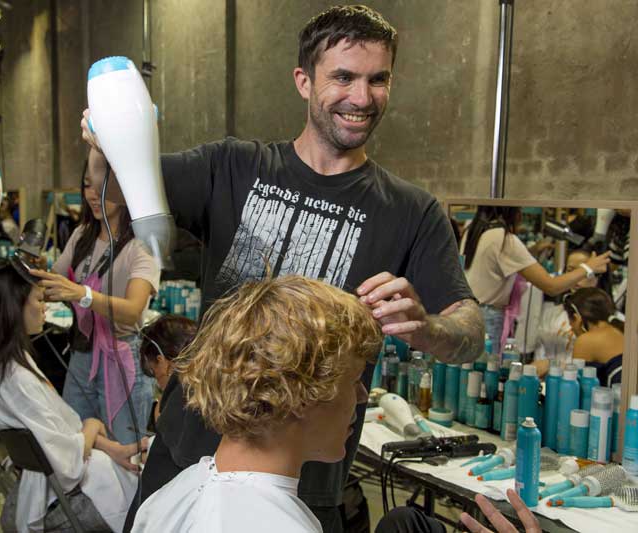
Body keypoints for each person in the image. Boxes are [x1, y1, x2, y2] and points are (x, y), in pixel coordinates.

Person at [91, 6, 486, 532]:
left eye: (378, 79)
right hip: (192, 447)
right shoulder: (233, 167)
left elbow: (470, 332)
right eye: (343, 77)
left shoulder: (411, 212)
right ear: (303, 81)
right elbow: (118, 188)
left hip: (306, 475)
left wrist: (428, 327)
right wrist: (107, 143)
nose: (362, 97)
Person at [133, 275, 383, 532]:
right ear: (301, 395)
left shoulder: (166, 500)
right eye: (354, 381)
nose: (363, 395)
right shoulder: (280, 526)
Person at [0, 258, 145, 533]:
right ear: (14, 307)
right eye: (39, 300)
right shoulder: (15, 379)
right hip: (68, 498)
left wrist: (111, 447)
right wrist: (92, 425)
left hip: (65, 479)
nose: (44, 307)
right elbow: (66, 462)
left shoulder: (3, 365)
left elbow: (58, 434)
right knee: (154, 501)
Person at [30, 152, 160, 446]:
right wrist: (34, 274)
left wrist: (83, 294)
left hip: (123, 360)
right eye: (88, 185)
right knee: (76, 442)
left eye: (103, 187)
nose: (93, 195)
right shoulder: (82, 236)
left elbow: (132, 311)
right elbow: (52, 284)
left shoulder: (142, 245)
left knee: (125, 450)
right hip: (82, 354)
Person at [461, 206, 610, 354]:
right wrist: (588, 268)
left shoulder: (474, 232)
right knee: (485, 366)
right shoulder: (502, 239)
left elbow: (498, 260)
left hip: (468, 312)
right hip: (487, 318)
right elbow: (551, 286)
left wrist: (534, 250)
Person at [138, 314, 198, 428]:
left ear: (161, 361)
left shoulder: (169, 408)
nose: (158, 382)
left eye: (153, 371)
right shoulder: (214, 389)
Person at [561, 287, 623, 386]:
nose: (571, 327)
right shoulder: (621, 329)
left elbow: (575, 387)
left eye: (570, 322)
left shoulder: (585, 341)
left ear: (577, 318)